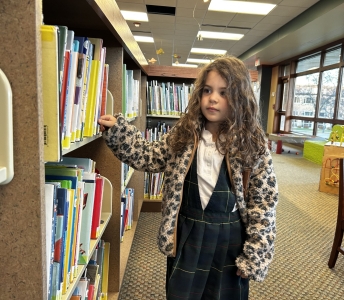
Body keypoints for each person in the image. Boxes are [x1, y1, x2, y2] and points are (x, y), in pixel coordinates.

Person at [98, 56, 278, 300]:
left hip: (230, 239)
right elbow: (150, 156)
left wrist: (256, 253)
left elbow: (264, 203)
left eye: (224, 93)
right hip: (188, 232)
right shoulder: (183, 135)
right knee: (182, 293)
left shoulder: (252, 145)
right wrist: (119, 132)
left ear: (240, 99)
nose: (213, 98)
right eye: (207, 90)